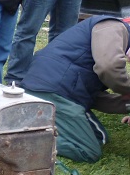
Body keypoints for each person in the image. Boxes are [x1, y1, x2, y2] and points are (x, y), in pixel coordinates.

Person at [22, 16, 130, 163]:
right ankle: (27, 140)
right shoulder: (113, 27)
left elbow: (94, 97)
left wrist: (127, 104)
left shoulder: (112, 32)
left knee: (100, 137)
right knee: (88, 151)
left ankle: (40, 122)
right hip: (54, 90)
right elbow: (109, 68)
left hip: (54, 87)